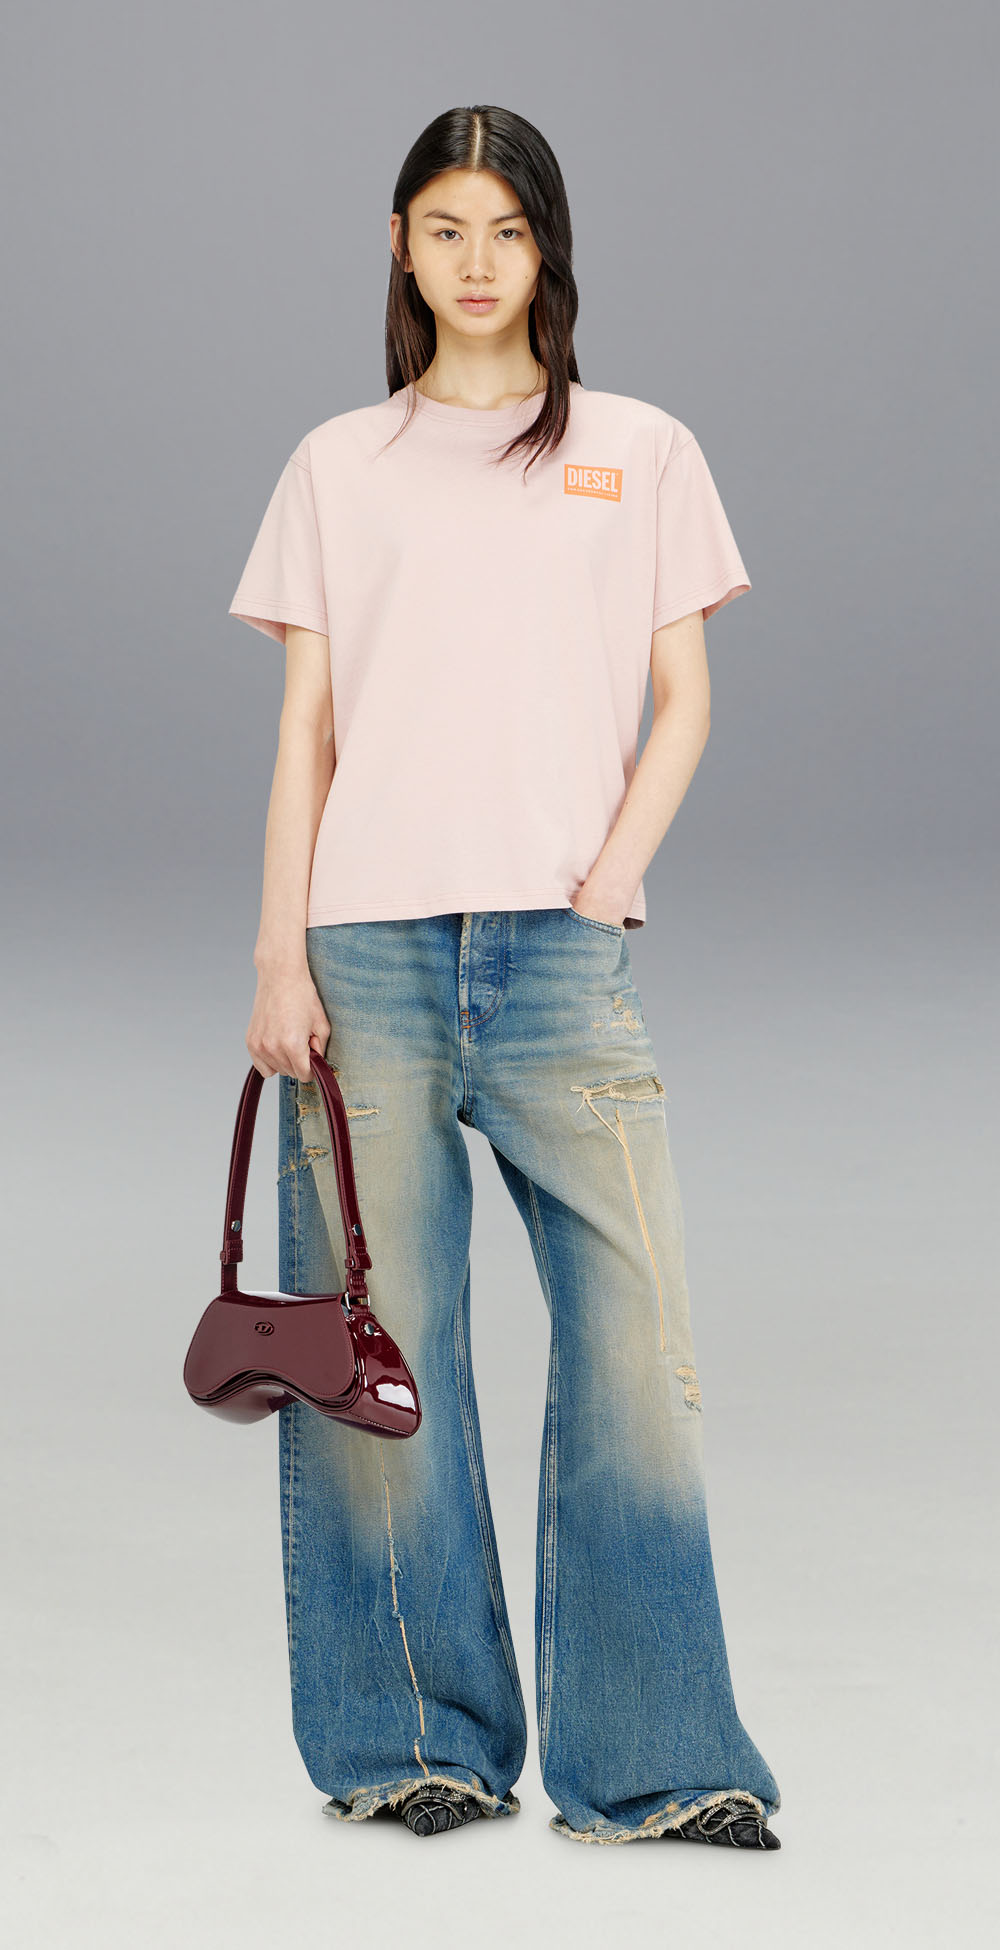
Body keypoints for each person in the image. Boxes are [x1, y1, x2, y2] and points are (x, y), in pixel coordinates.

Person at [230, 103, 782, 1850]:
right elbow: (307, 728)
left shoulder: (640, 448)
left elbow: (685, 699)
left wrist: (611, 877)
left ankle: (658, 1760)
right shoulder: (339, 463)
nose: (478, 263)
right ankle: (413, 1740)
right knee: (378, 1350)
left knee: (634, 1343)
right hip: (366, 956)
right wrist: (276, 950)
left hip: (560, 959)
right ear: (399, 245)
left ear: (550, 250)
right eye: (445, 228)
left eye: (509, 230)